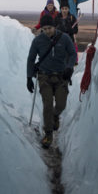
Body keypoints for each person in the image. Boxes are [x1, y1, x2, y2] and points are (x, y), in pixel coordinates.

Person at [26, 14, 76, 148]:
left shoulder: (64, 38)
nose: (47, 31)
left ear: (54, 26)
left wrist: (69, 67)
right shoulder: (38, 41)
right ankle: (48, 134)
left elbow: (72, 53)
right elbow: (31, 58)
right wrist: (29, 77)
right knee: (47, 105)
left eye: (49, 28)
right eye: (44, 28)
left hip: (61, 77)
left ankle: (55, 116)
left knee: (61, 104)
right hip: (44, 76)